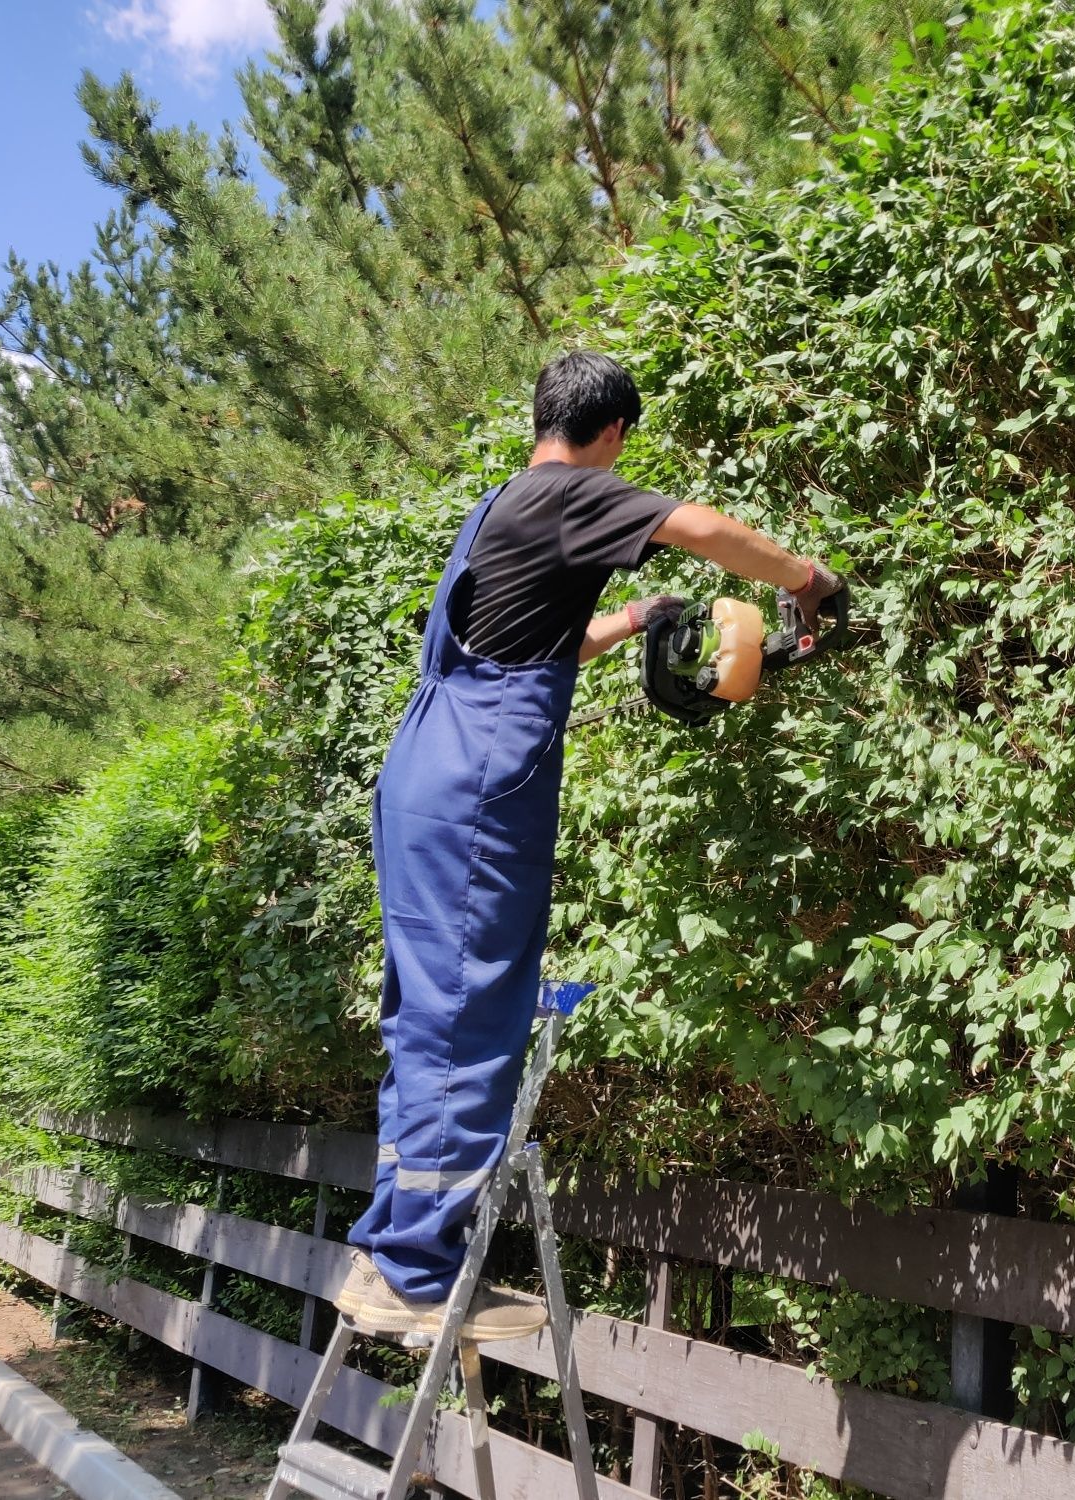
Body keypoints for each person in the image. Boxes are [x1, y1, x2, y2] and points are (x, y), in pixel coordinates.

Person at [334, 351, 841, 1339]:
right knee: (471, 1010)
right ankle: (417, 1275)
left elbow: (535, 644)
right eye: (622, 452)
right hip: (481, 782)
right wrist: (804, 577)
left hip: (424, 770)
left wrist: (630, 619)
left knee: (427, 1009)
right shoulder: (573, 491)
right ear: (608, 435)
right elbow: (696, 527)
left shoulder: (499, 510)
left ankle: (389, 1251)